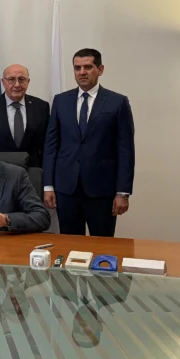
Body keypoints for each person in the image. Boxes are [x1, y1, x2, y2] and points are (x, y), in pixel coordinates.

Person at [43, 48, 135, 237]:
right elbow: (51, 145)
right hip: (66, 189)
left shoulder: (117, 102)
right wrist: (48, 186)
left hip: (102, 190)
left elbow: (125, 149)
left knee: (103, 245)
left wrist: (123, 192)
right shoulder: (61, 101)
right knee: (70, 245)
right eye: (77, 68)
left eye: (88, 67)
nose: (82, 72)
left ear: (100, 70)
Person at [0, 64, 50, 168]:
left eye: (22, 79)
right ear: (3, 82)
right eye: (11, 79)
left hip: (32, 172)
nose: (17, 84)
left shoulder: (41, 107)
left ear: (28, 82)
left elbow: (47, 144)